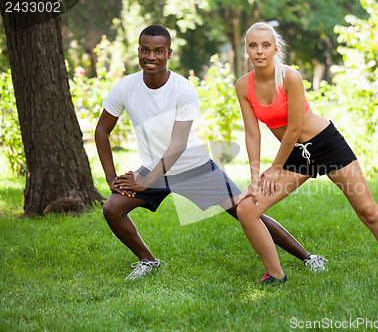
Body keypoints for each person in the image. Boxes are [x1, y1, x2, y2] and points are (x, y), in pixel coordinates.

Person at [94, 24, 326, 280]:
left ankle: (308, 257)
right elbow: (102, 130)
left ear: (169, 53)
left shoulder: (182, 89)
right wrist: (111, 179)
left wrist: (145, 182)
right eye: (146, 50)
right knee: (112, 208)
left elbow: (178, 144)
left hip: (193, 166)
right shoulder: (126, 87)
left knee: (245, 210)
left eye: (159, 51)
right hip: (154, 168)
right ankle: (148, 261)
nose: (151, 56)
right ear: (138, 51)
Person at [235, 21, 378, 285]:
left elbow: (294, 128)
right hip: (294, 155)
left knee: (368, 211)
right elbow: (252, 133)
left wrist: (275, 167)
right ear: (246, 49)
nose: (259, 51)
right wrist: (256, 177)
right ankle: (275, 275)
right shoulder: (244, 86)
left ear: (275, 49)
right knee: (247, 209)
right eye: (253, 45)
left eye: (266, 45)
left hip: (325, 144)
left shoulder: (290, 77)